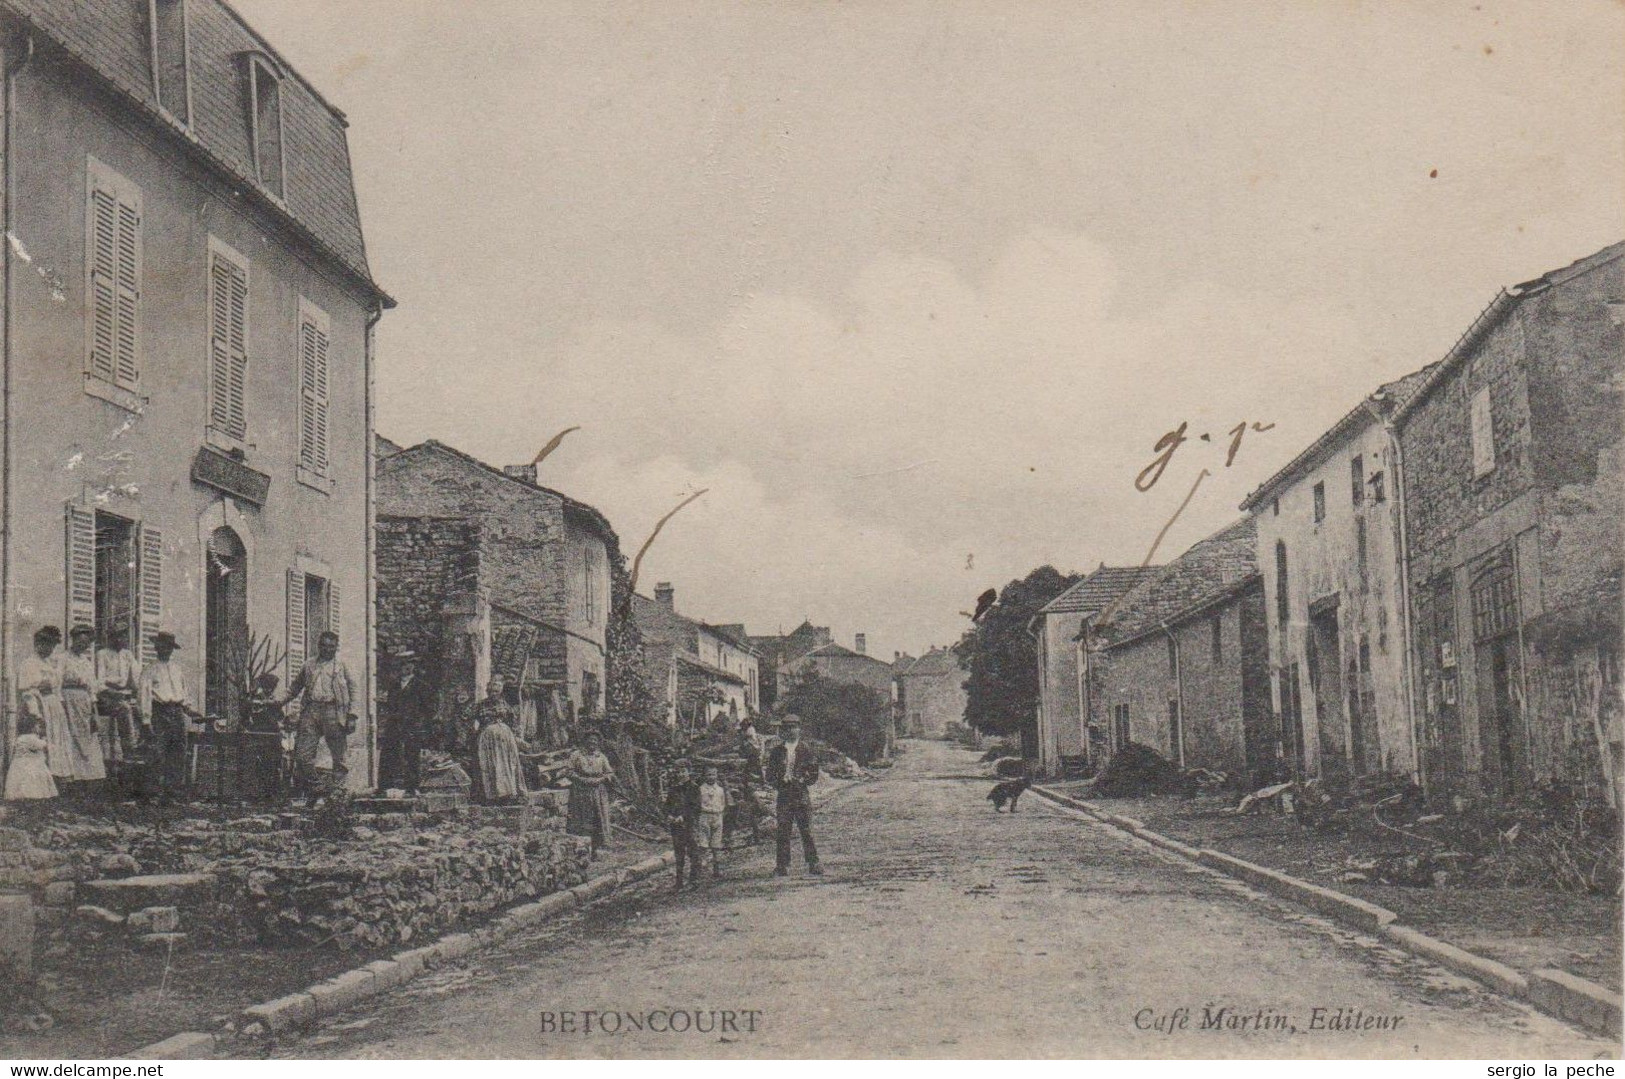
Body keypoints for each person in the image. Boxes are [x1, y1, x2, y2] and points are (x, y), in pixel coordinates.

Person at [286, 631, 357, 802]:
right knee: (303, 755)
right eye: (324, 646)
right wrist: (278, 701)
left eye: (331, 646)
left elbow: (354, 690)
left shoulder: (342, 665)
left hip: (334, 711)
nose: (327, 649)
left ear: (336, 647)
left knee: (339, 756)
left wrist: (352, 715)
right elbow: (294, 688)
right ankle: (317, 786)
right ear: (319, 646)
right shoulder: (309, 665)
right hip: (311, 710)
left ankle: (337, 794)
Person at [766, 714, 822, 876]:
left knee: (806, 830)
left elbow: (814, 773)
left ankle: (813, 862)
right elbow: (769, 774)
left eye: (793, 727)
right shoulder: (777, 751)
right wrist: (779, 783)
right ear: (782, 731)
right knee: (783, 831)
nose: (790, 731)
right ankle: (782, 865)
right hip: (784, 795)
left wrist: (802, 780)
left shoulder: (806, 750)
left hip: (801, 794)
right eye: (787, 728)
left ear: (799, 729)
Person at [139, 631, 191, 801]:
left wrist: (187, 709)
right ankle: (153, 791)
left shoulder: (177, 669)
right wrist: (146, 720)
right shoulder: (149, 670)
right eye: (162, 647)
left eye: (169, 648)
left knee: (178, 751)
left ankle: (173, 790)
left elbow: (183, 692)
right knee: (157, 750)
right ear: (156, 647)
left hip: (176, 712)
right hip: (159, 712)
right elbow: (144, 696)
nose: (166, 650)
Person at [56, 624, 107, 797]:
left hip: (84, 702)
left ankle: (88, 780)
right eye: (80, 642)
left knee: (88, 739)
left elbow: (92, 689)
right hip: (68, 700)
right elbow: (57, 684)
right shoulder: (62, 659)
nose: (83, 646)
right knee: (70, 738)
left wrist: (94, 713)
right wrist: (61, 705)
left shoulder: (86, 662)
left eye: (87, 644)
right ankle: (72, 782)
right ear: (74, 639)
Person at [383, 651, 434, 795]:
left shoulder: (421, 685)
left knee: (412, 755)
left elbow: (428, 709)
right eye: (403, 664)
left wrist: (422, 725)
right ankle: (389, 786)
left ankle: (413, 787)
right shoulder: (394, 685)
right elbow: (390, 705)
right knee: (392, 753)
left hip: (413, 726)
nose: (406, 667)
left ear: (414, 666)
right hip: (395, 724)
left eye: (409, 664)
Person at [95, 627, 142, 768]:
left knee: (142, 708)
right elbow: (100, 681)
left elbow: (136, 677)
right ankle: (129, 747)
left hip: (123, 694)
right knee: (124, 709)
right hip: (106, 695)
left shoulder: (127, 654)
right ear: (111, 638)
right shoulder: (102, 654)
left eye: (123, 637)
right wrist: (112, 691)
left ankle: (142, 743)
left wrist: (141, 691)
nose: (121, 641)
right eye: (118, 637)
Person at [475, 678, 528, 804]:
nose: (494, 694)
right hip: (488, 739)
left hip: (505, 738)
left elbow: (513, 721)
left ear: (500, 692)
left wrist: (515, 735)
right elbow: (469, 718)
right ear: (487, 691)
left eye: (496, 691)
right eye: (491, 691)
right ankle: (493, 794)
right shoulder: (481, 705)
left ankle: (509, 792)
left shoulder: (505, 704)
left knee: (507, 763)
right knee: (491, 764)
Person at [566, 730, 616, 857]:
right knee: (582, 819)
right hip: (581, 792)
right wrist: (582, 779)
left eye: (595, 740)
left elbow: (609, 773)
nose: (592, 743)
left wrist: (601, 779)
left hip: (598, 792)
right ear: (585, 741)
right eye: (590, 740)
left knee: (598, 819)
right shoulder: (576, 755)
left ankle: (596, 850)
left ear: (598, 743)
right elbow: (569, 771)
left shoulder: (601, 757)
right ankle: (582, 851)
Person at [662, 761, 701, 892]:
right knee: (679, 853)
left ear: (689, 772)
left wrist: (683, 817)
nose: (681, 774)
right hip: (676, 826)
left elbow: (695, 807)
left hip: (689, 825)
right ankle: (679, 882)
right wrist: (669, 815)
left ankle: (694, 880)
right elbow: (667, 805)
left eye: (683, 771)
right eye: (678, 771)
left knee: (693, 852)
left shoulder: (694, 788)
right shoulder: (673, 789)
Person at [4, 714, 57, 801]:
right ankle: (33, 800)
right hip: (30, 764)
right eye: (38, 726)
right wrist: (45, 740)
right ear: (32, 728)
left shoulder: (20, 738)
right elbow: (40, 745)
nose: (39, 728)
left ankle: (25, 800)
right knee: (32, 783)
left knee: (22, 784)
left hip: (19, 764)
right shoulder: (31, 738)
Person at [696, 764, 729, 880]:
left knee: (716, 844)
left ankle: (717, 870)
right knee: (703, 844)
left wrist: (720, 813)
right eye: (709, 774)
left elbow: (723, 803)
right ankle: (700, 870)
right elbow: (698, 804)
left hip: (717, 816)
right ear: (704, 776)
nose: (711, 777)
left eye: (714, 774)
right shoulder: (700, 789)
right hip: (704, 816)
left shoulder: (720, 790)